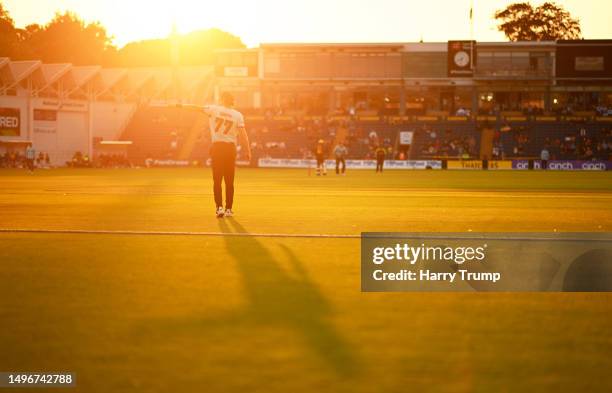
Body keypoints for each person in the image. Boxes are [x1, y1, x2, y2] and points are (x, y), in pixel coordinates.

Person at [177, 92, 251, 218]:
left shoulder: (214, 109)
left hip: (217, 147)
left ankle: (219, 208)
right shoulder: (238, 115)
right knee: (229, 181)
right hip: (230, 148)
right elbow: (243, 135)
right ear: (232, 101)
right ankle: (228, 209)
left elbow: (196, 107)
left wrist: (182, 105)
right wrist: (247, 150)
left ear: (222, 99)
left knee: (217, 180)